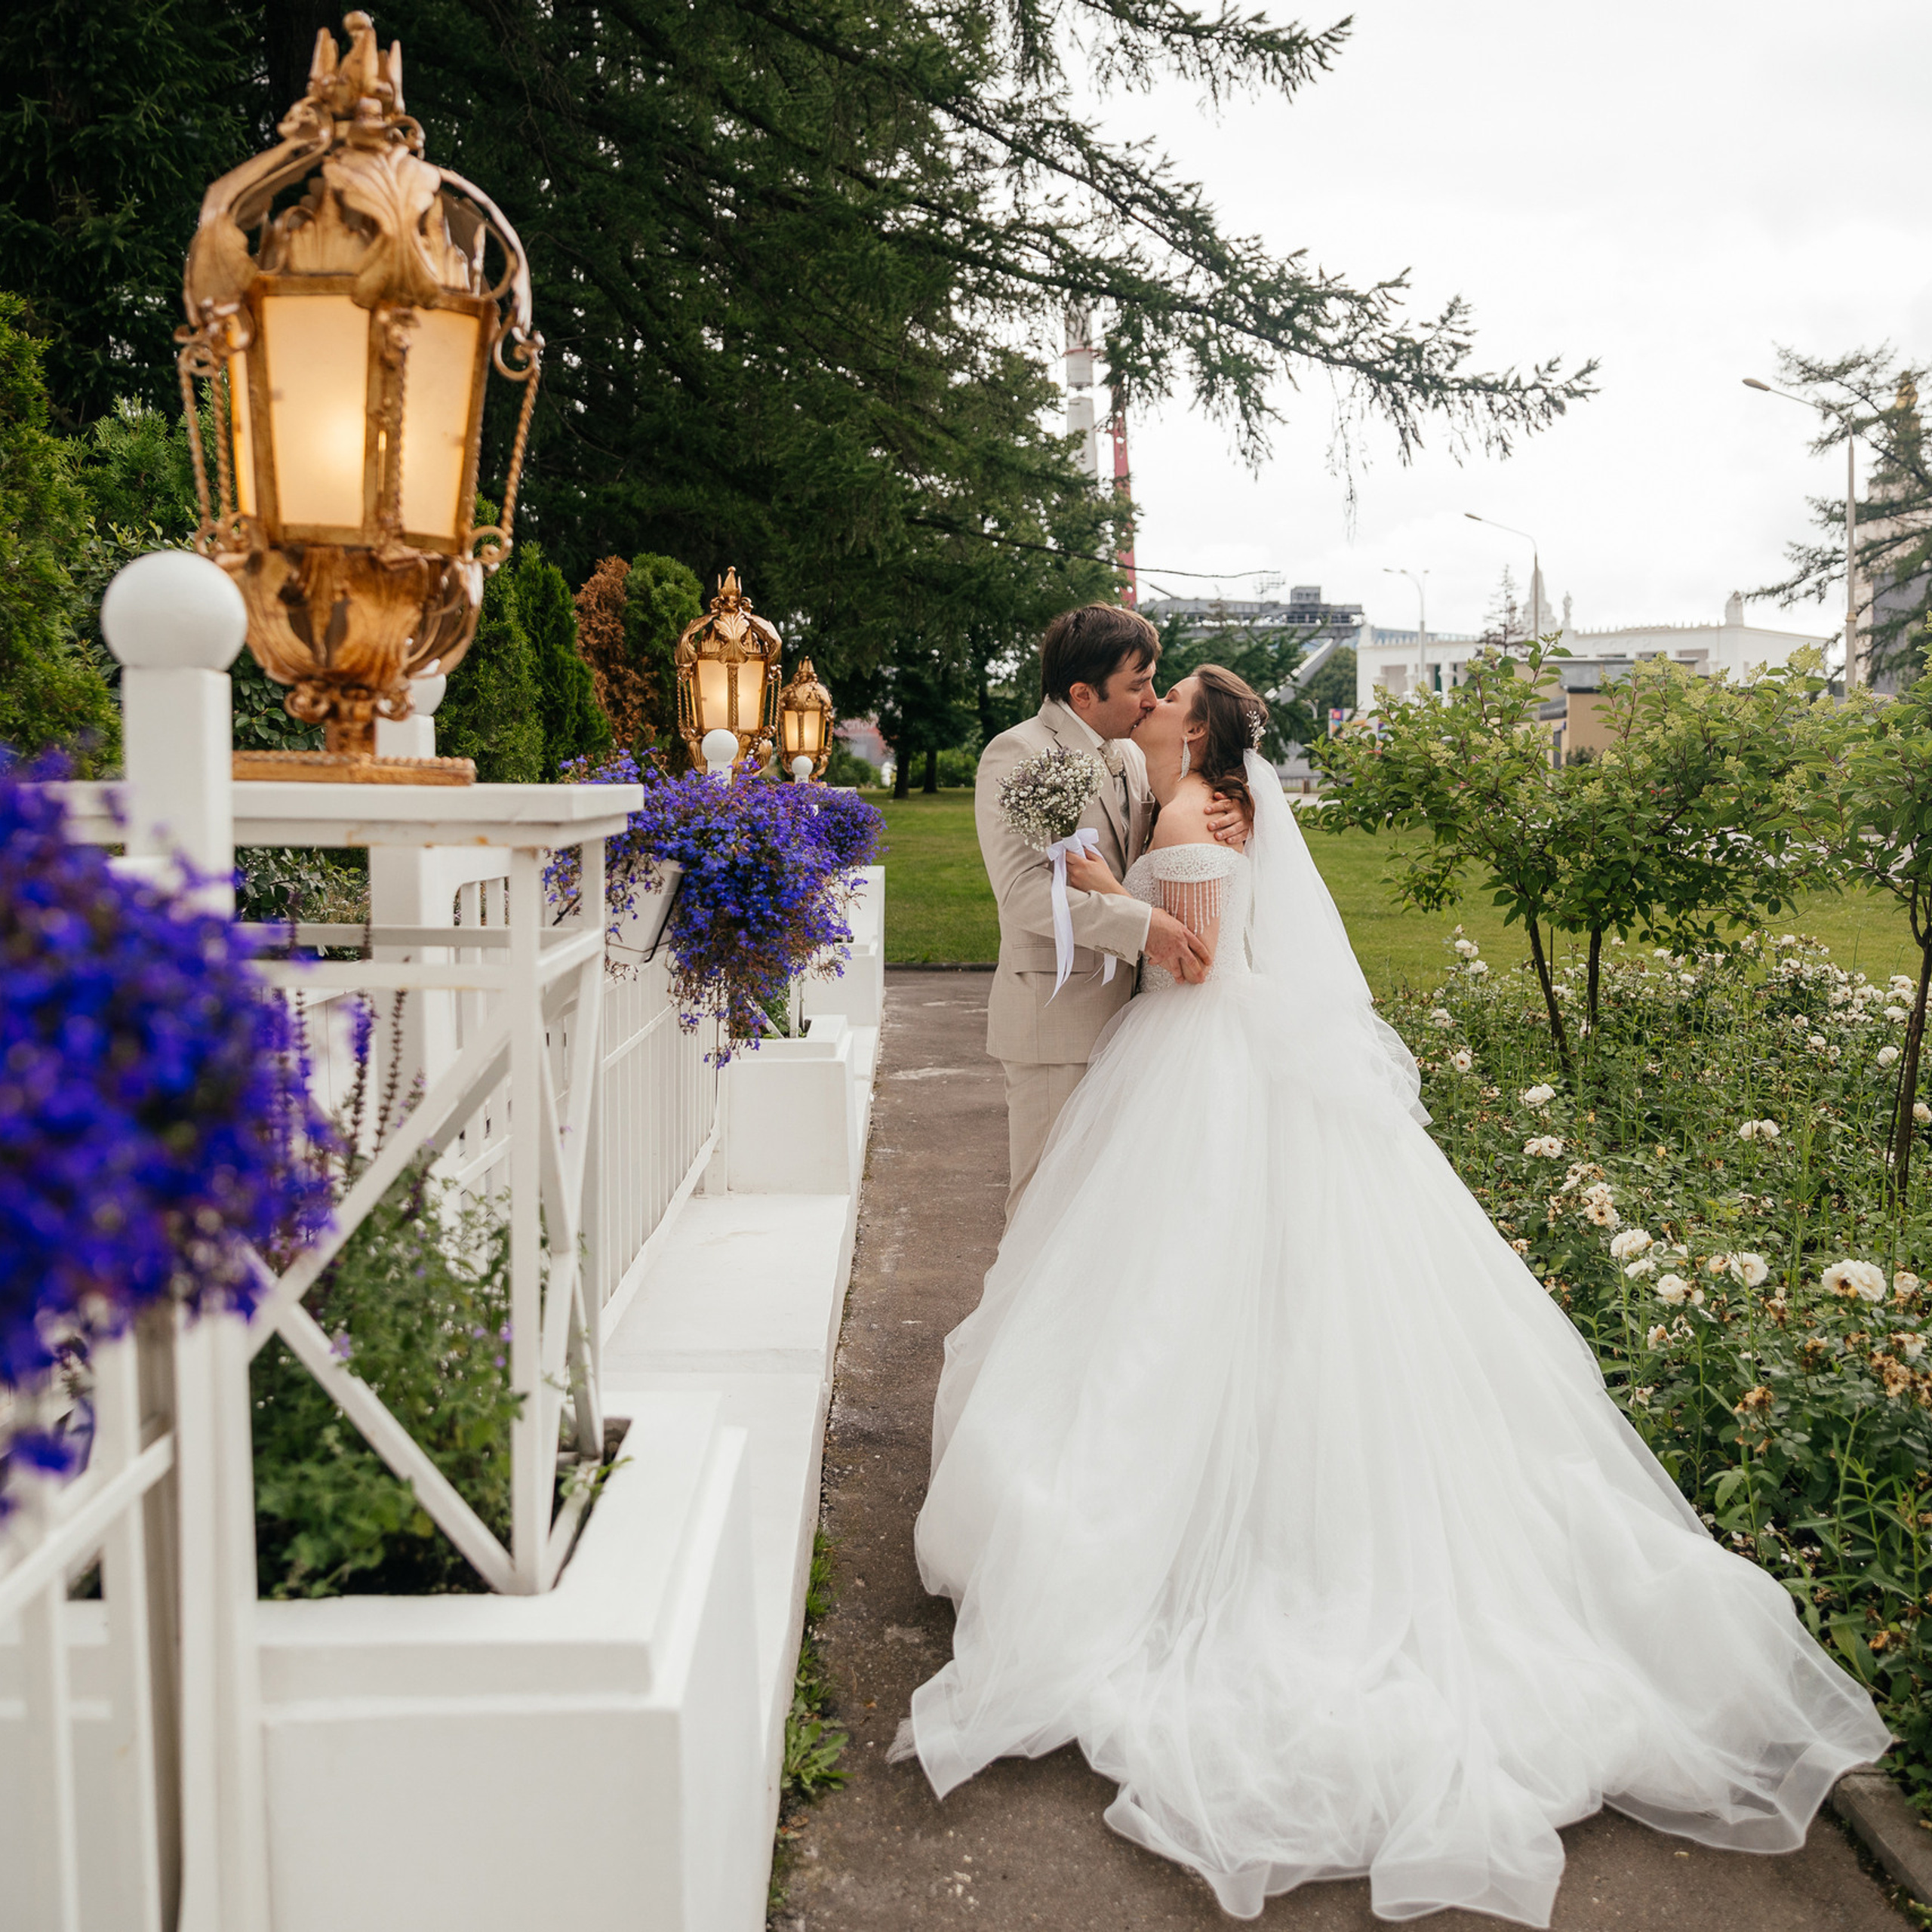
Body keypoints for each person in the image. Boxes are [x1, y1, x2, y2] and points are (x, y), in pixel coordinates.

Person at [894, 663, 1889, 1927]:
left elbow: (1193, 963)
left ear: (1192, 727)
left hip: (1197, 1067)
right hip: (1211, 1060)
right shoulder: (1207, 796)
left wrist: (1099, 890)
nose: (1148, 706)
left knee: (1170, 1307)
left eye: (1166, 697)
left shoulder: (1192, 813)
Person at [976, 604, 1241, 1220]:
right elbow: (1021, 892)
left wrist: (1237, 807)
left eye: (1154, 682)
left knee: (1102, 1218)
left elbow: (1165, 833)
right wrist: (1144, 926)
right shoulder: (1017, 753)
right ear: (1082, 694)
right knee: (1044, 1204)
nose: (1151, 700)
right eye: (1138, 684)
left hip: (1136, 1024)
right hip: (1057, 1022)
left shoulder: (1123, 754)